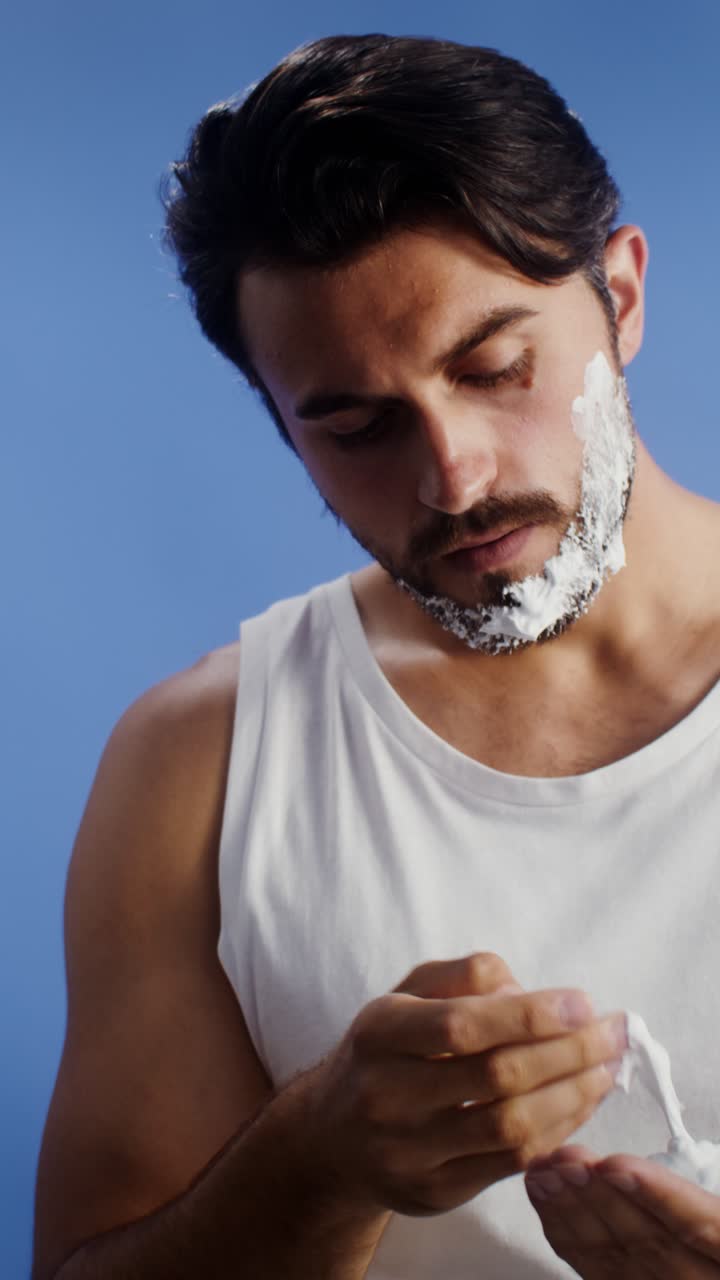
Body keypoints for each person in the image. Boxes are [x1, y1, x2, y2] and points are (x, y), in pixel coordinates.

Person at [32, 32, 720, 1280]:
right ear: (284, 430)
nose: (453, 475)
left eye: (496, 368)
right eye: (356, 425)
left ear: (619, 298)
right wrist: (315, 1161)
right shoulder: (201, 764)